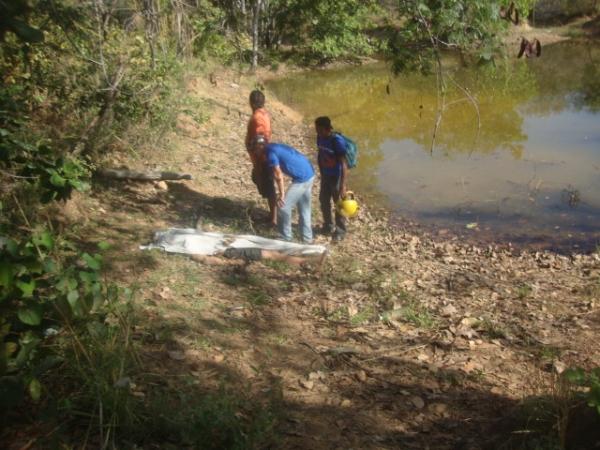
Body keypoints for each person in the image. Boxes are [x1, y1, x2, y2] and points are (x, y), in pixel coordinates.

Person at [253, 136, 315, 243]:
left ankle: (285, 238)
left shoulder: (270, 153)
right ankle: (307, 239)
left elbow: (278, 175)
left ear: (260, 146)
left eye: (255, 148)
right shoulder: (273, 147)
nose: (255, 151)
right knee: (304, 209)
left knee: (283, 206)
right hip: (309, 173)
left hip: (302, 179)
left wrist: (281, 195)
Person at [245, 90, 277, 226]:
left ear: (251, 103)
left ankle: (274, 218)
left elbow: (259, 141)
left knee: (267, 185)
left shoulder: (257, 118)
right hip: (263, 155)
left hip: (262, 157)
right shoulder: (264, 114)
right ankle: (273, 215)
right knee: (266, 184)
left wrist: (258, 165)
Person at [315, 116, 348, 241]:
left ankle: (340, 231)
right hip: (326, 175)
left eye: (319, 129)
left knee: (339, 204)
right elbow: (320, 154)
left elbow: (344, 164)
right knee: (323, 200)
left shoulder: (337, 141)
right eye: (316, 129)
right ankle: (328, 225)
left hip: (337, 177)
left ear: (326, 129)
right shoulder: (320, 137)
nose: (317, 132)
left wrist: (343, 186)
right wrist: (321, 172)